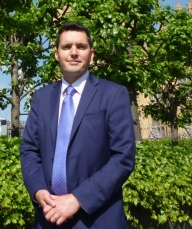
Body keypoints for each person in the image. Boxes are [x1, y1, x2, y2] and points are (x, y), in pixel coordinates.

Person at [20, 22, 136, 229]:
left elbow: (123, 158)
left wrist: (77, 199)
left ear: (91, 54)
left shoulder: (113, 94)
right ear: (56, 54)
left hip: (97, 219)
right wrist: (38, 190)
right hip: (48, 217)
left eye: (81, 47)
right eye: (66, 47)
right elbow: (29, 150)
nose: (73, 52)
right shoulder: (41, 98)